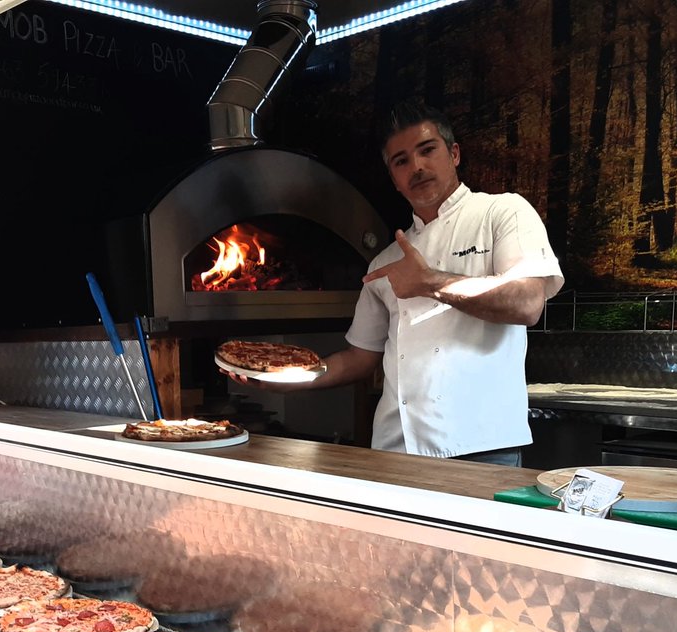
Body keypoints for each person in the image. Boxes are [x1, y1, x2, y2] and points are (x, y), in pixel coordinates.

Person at [223, 99, 564, 464]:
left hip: (481, 445)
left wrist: (431, 282)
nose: (416, 166)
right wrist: (286, 377)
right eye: (400, 161)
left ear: (454, 154)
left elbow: (528, 304)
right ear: (394, 179)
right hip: (393, 448)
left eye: (427, 150)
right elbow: (359, 356)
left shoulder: (502, 212)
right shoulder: (386, 262)